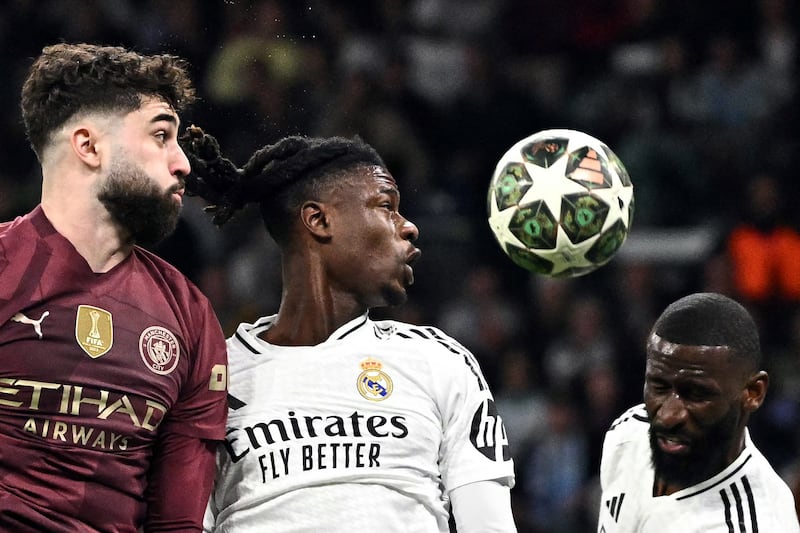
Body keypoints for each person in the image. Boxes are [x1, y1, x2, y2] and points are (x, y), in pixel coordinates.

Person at [180, 126, 517, 532]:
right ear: (319, 220)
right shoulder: (214, 373)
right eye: (386, 206)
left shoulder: (439, 360)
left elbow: (489, 525)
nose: (408, 227)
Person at [0, 43, 228, 531]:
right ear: (89, 146)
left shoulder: (189, 314)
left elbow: (178, 522)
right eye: (162, 135)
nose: (183, 162)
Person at [596, 292, 800, 532]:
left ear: (753, 393)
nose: (669, 415)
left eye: (696, 394)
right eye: (659, 387)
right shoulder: (628, 433)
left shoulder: (754, 523)